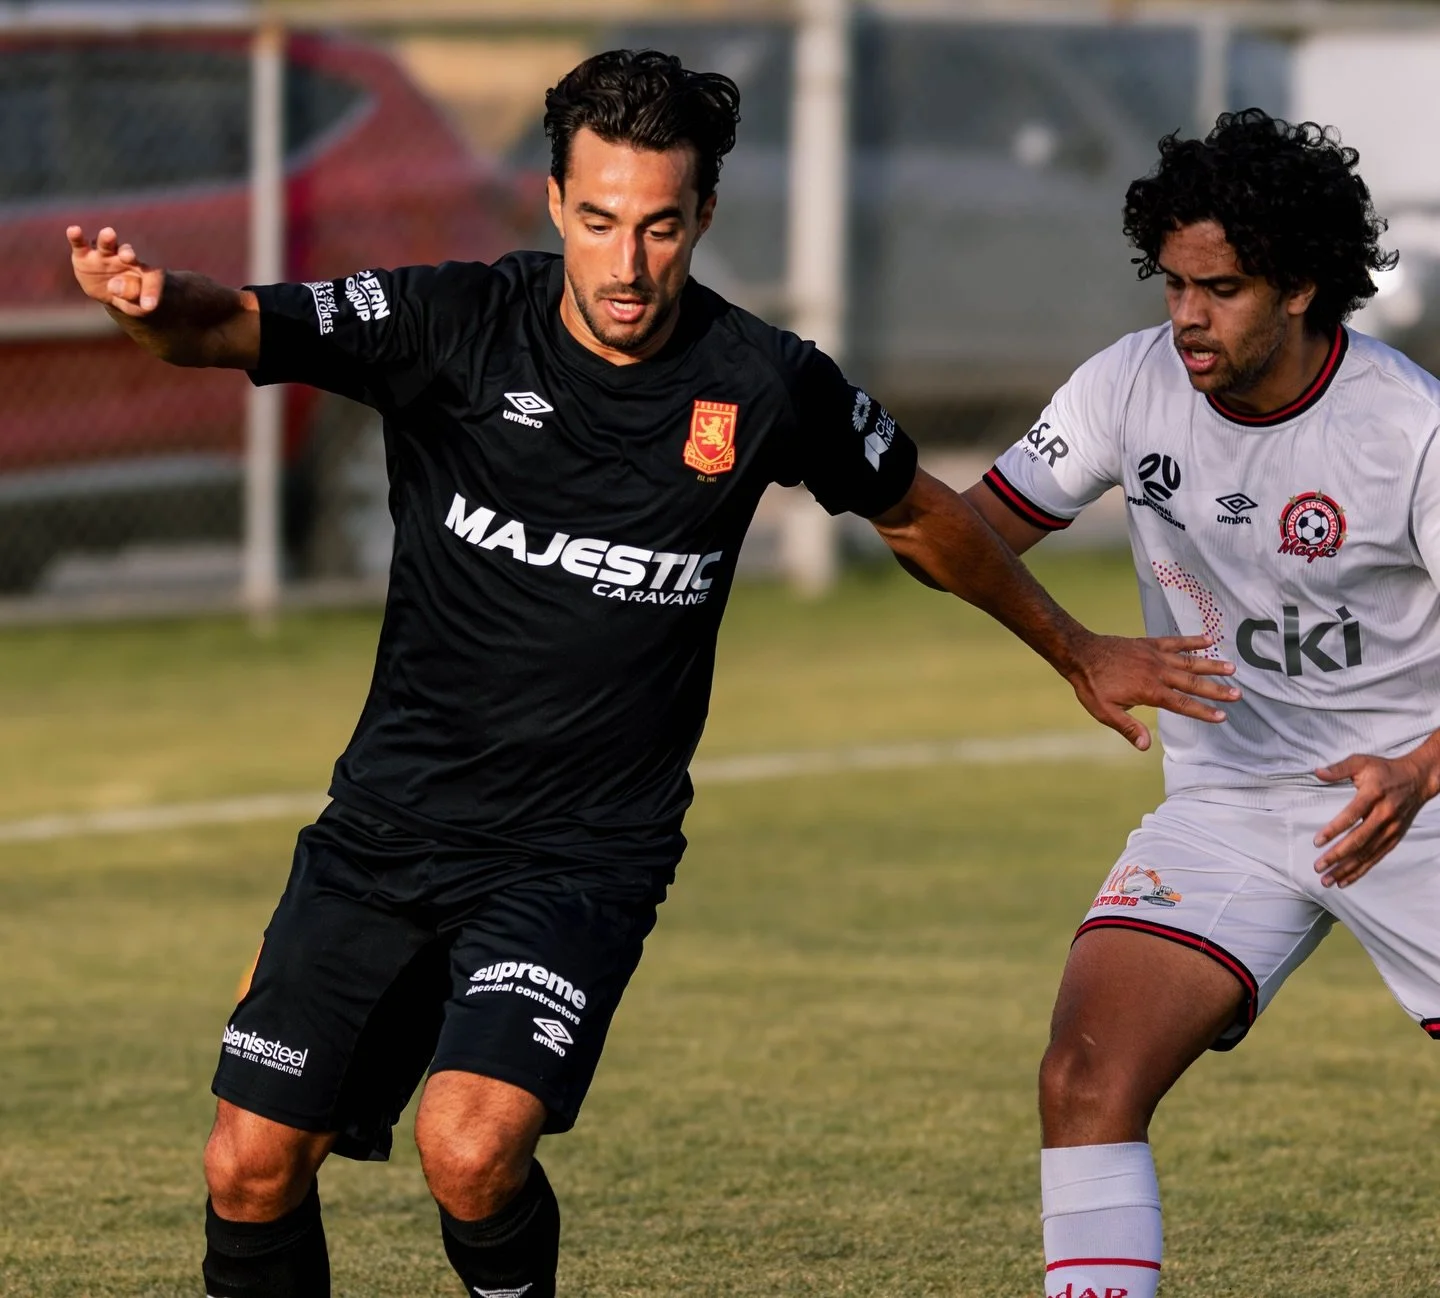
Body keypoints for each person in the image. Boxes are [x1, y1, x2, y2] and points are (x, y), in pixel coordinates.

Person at [68, 49, 1234, 1298]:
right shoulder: (451, 322)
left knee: (468, 1150)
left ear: (705, 217)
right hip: (385, 828)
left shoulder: (762, 380)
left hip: (581, 853)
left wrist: (1077, 643)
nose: (629, 266)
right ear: (557, 202)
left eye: (662, 227)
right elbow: (228, 323)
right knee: (249, 1162)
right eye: (603, 222)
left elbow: (918, 514)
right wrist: (149, 298)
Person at [961, 107, 1438, 1298]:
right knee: (1084, 1075)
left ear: (1301, 285)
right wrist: (1074, 645)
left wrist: (1421, 770)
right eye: (1171, 284)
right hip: (1231, 797)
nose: (1185, 317)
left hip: (1415, 792)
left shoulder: (1409, 428)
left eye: (1218, 289)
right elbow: (966, 534)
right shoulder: (1129, 385)